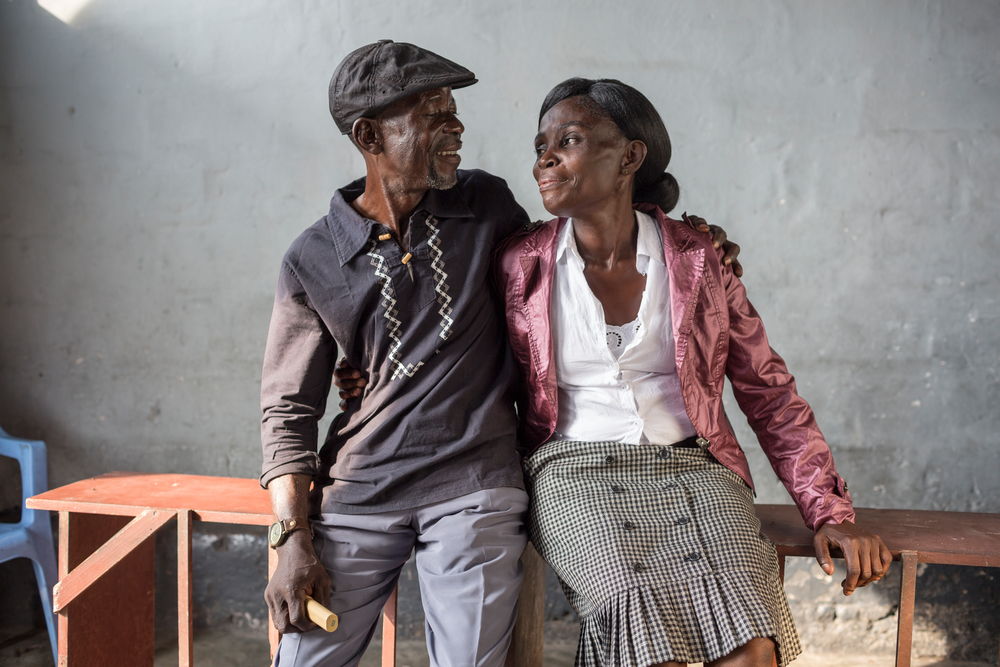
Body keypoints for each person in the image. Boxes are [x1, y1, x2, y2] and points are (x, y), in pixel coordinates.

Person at [260, 43, 739, 667]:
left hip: (475, 486)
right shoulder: (313, 257)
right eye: (433, 116)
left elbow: (580, 240)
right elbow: (287, 412)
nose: (456, 127)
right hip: (359, 494)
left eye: (453, 111)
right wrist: (292, 539)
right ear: (370, 134)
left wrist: (689, 241)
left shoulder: (486, 205)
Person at [493, 78, 893, 667]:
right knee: (638, 617)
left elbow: (768, 392)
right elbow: (465, 366)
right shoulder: (519, 265)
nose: (545, 160)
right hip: (570, 470)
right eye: (540, 146)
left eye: (569, 140)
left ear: (630, 156)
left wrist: (830, 512)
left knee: (753, 645)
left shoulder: (699, 260)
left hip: (693, 464)